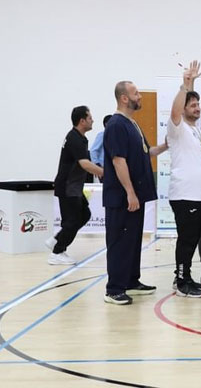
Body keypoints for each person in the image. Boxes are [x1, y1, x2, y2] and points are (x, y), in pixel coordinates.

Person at [103, 81, 167, 305]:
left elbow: (146, 152)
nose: (140, 96)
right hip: (121, 198)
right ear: (124, 98)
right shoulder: (116, 125)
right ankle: (114, 289)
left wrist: (166, 145)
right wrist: (130, 192)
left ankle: (130, 280)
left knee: (131, 240)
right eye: (136, 93)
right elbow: (118, 161)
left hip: (135, 197)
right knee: (119, 242)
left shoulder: (133, 124)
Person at [167, 61, 201, 298]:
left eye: (198, 105)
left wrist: (192, 85)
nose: (197, 108)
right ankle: (182, 281)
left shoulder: (197, 129)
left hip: (199, 195)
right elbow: (175, 112)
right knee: (186, 240)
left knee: (192, 239)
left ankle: (185, 276)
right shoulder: (178, 128)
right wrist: (184, 86)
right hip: (185, 195)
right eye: (192, 105)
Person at [47, 106, 104, 265]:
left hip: (75, 187)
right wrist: (104, 172)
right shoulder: (74, 138)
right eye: (90, 117)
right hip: (67, 186)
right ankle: (57, 252)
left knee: (84, 215)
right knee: (71, 221)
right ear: (82, 121)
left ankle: (58, 240)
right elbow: (84, 163)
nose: (93, 120)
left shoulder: (80, 138)